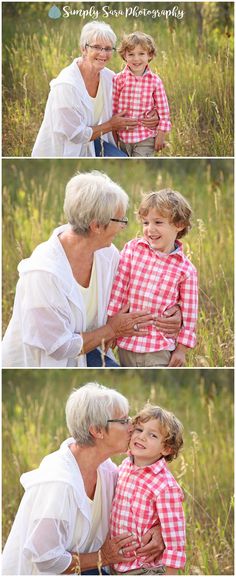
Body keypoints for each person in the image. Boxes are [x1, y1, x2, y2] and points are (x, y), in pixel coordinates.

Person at [2, 172, 180, 368]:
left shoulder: (107, 253)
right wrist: (111, 330)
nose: (123, 227)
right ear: (96, 225)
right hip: (48, 365)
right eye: (120, 220)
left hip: (87, 353)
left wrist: (175, 312)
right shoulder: (43, 274)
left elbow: (137, 286)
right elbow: (59, 347)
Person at [2, 384, 165, 575]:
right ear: (97, 430)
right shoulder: (58, 482)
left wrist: (159, 528)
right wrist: (102, 557)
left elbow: (146, 494)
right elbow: (45, 558)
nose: (133, 427)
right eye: (123, 421)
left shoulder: (105, 467)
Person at [31, 22, 158, 158]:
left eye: (108, 49)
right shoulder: (66, 86)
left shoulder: (109, 78)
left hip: (92, 142)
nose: (103, 54)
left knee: (123, 159)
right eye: (97, 47)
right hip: (65, 150)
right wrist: (110, 125)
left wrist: (152, 115)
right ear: (83, 48)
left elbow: (132, 100)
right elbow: (76, 136)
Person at [108, 188, 198, 367]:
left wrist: (181, 350)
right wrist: (111, 326)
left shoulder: (186, 269)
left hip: (159, 348)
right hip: (127, 342)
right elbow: (118, 289)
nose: (150, 229)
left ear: (179, 224)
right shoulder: (133, 249)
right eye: (145, 222)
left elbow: (190, 314)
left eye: (158, 222)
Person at [110, 403, 186, 575]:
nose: (142, 437)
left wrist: (171, 573)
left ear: (166, 448)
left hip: (144, 567)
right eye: (138, 430)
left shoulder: (165, 486)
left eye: (152, 435)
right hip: (116, 564)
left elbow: (175, 537)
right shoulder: (124, 467)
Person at [112, 32, 171, 157]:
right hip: (123, 137)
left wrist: (160, 135)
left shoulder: (155, 81)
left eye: (141, 54)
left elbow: (164, 111)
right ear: (124, 56)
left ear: (149, 55)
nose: (136, 59)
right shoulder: (118, 79)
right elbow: (113, 108)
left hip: (146, 137)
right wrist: (115, 136)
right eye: (131, 54)